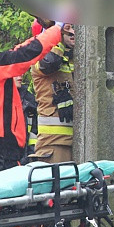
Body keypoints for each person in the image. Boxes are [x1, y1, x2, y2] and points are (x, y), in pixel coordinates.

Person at [0, 20, 62, 171]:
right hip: (1, 149)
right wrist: (57, 29)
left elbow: (20, 51)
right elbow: (24, 54)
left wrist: (44, 33)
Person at [30, 23, 75, 164]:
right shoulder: (40, 59)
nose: (73, 33)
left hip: (78, 140)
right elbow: (50, 63)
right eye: (68, 30)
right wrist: (56, 35)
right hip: (54, 142)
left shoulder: (70, 58)